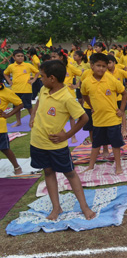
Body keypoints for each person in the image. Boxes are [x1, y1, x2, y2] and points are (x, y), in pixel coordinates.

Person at [29, 60, 95, 220]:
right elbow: (38, 101)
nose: (40, 79)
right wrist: (33, 116)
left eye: (42, 76)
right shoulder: (44, 89)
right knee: (48, 171)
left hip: (56, 146)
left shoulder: (66, 98)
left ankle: (84, 207)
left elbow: (84, 118)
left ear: (52, 78)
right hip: (37, 142)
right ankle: (56, 208)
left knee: (70, 174)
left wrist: (66, 135)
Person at [81, 53, 127, 175]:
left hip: (113, 118)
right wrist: (91, 106)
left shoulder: (111, 80)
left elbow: (124, 93)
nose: (101, 68)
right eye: (98, 65)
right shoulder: (86, 82)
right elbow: (84, 95)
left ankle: (118, 166)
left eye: (104, 66)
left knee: (116, 144)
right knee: (96, 144)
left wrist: (121, 110)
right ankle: (91, 165)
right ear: (91, 66)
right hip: (97, 119)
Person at [3, 49, 39, 127]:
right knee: (16, 107)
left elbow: (37, 72)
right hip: (15, 90)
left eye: (22, 56)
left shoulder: (28, 65)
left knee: (29, 106)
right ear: (14, 57)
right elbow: (5, 73)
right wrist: (9, 81)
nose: (20, 57)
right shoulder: (11, 66)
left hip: (26, 89)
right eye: (18, 56)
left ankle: (34, 121)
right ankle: (18, 122)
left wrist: (33, 80)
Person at [0, 83, 24, 174]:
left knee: (4, 148)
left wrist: (8, 115)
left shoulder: (6, 92)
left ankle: (17, 167)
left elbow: (20, 104)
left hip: (0, 127)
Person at [107, 55, 127, 137]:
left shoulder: (120, 71)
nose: (108, 65)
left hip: (120, 97)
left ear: (114, 63)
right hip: (110, 98)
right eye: (106, 63)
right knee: (111, 114)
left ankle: (124, 130)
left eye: (110, 63)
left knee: (122, 113)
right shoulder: (105, 73)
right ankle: (112, 130)